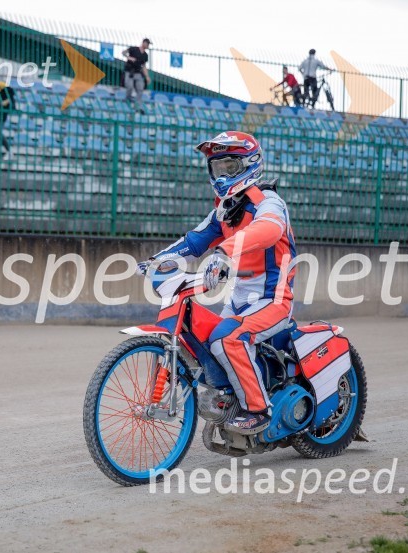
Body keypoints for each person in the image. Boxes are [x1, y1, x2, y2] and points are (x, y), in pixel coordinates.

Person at [142, 131, 297, 434]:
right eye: (218, 167)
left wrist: (226, 250)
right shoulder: (224, 210)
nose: (223, 174)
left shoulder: (269, 202)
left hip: (273, 299)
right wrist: (156, 261)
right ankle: (229, 399)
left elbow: (268, 229)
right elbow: (194, 242)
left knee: (227, 338)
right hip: (239, 299)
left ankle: (258, 409)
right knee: (204, 338)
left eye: (231, 166)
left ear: (250, 164)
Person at [121, 38, 152, 113]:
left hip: (138, 73)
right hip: (129, 71)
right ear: (143, 43)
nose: (148, 46)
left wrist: (147, 76)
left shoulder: (145, 55)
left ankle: (138, 105)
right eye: (147, 44)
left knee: (140, 88)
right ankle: (127, 98)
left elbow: (144, 66)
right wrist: (129, 57)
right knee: (130, 86)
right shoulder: (133, 49)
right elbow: (123, 52)